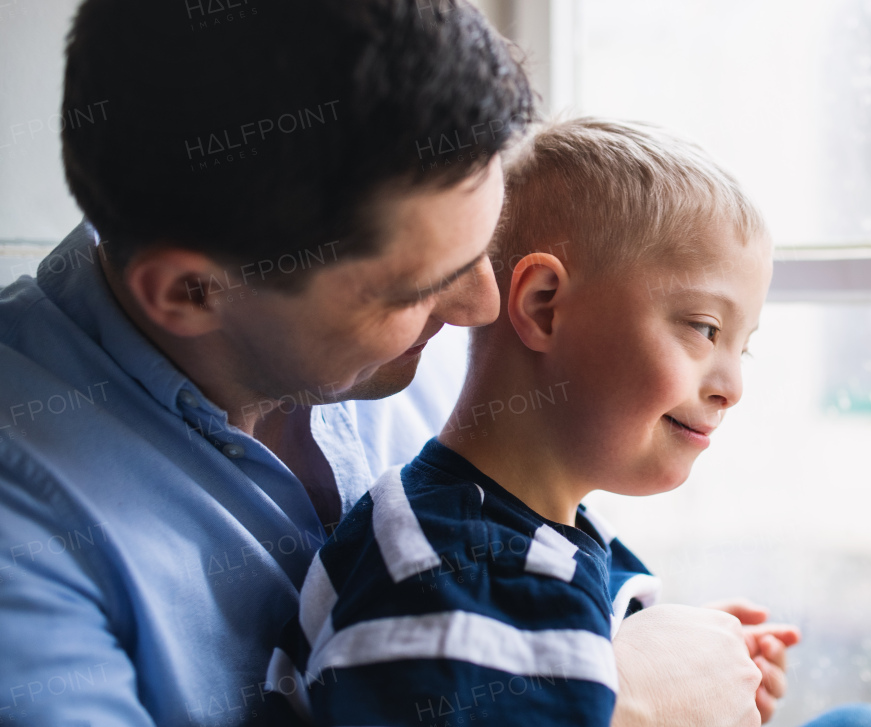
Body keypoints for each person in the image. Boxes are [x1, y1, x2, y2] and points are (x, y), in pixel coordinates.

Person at [0, 2, 776, 725]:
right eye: (417, 284)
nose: (481, 308)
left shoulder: (455, 368)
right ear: (190, 290)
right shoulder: (24, 528)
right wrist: (619, 695)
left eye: (485, 243)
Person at [264, 118, 780, 726]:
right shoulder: (440, 574)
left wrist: (689, 669)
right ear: (543, 306)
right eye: (704, 328)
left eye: (740, 349)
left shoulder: (534, 537)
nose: (732, 389)